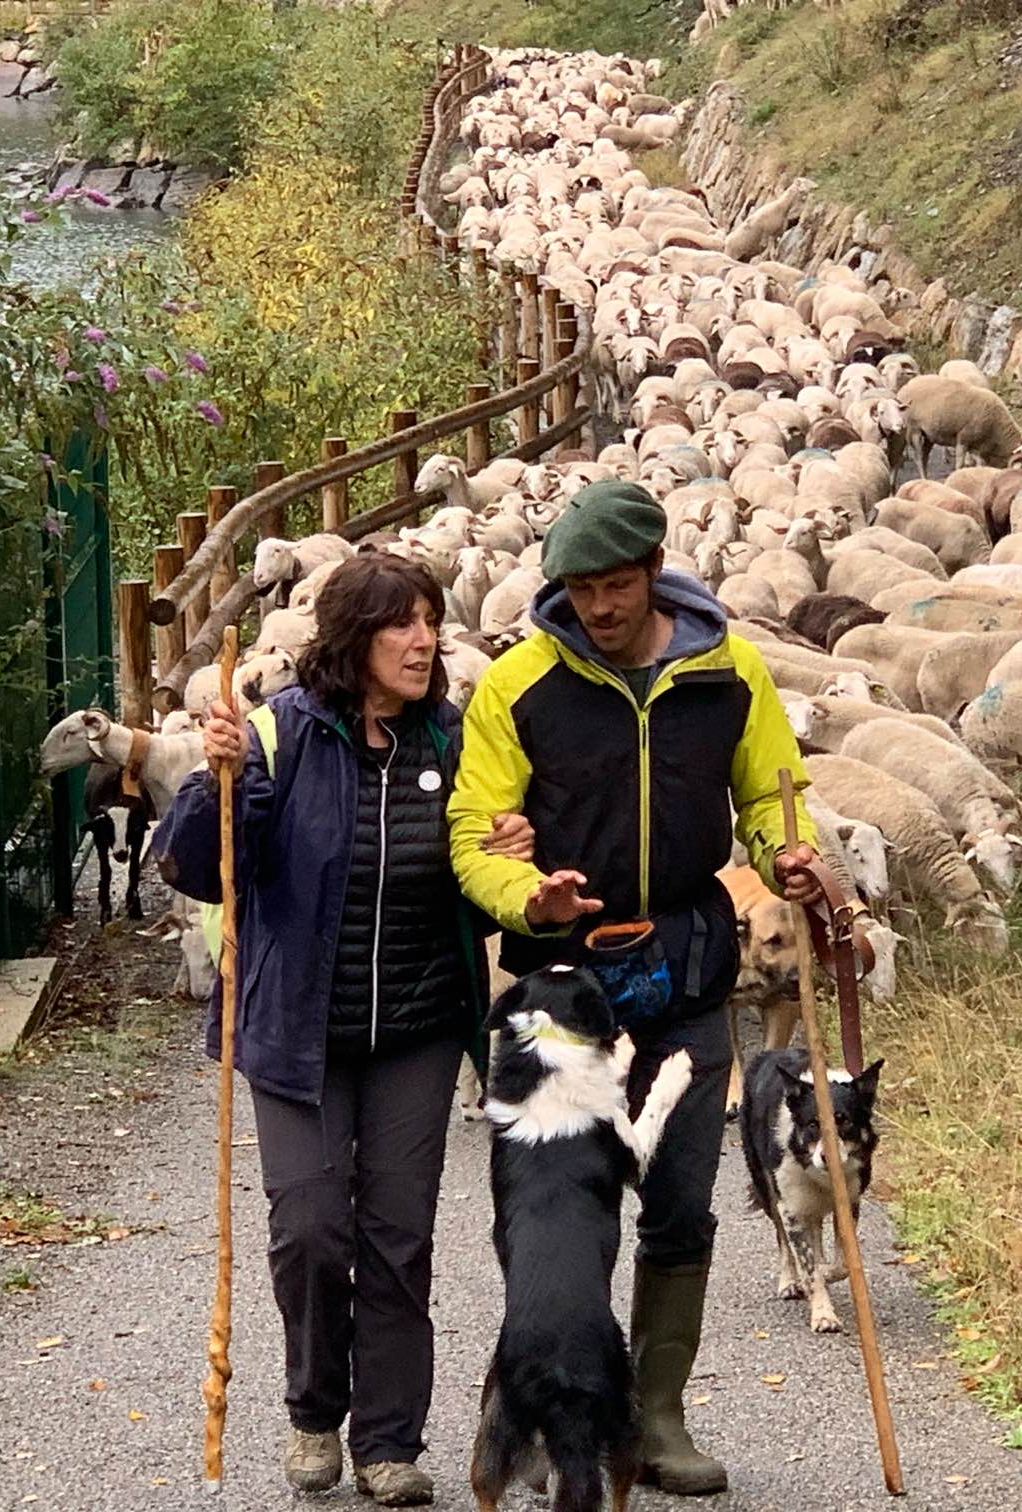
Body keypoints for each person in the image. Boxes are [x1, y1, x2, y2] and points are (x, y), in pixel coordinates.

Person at [449, 478, 822, 1497]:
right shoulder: (517, 685)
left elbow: (770, 793)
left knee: (682, 1203)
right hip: (562, 994)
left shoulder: (727, 669)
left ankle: (653, 1420)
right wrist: (532, 895)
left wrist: (793, 856)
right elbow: (476, 835)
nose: (599, 608)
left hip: (686, 964)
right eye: (580, 589)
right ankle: (534, 1404)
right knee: (558, 1219)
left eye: (615, 586)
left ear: (654, 571)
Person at [155, 553, 532, 1507]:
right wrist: (218, 782)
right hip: (294, 1030)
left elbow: (477, 894)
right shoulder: (282, 735)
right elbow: (203, 870)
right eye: (401, 623)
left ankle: (391, 1443)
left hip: (414, 1028)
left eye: (431, 621)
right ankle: (315, 1411)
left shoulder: (453, 741)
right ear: (351, 637)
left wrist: (512, 859)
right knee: (313, 1231)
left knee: (399, 1237)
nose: (423, 640)